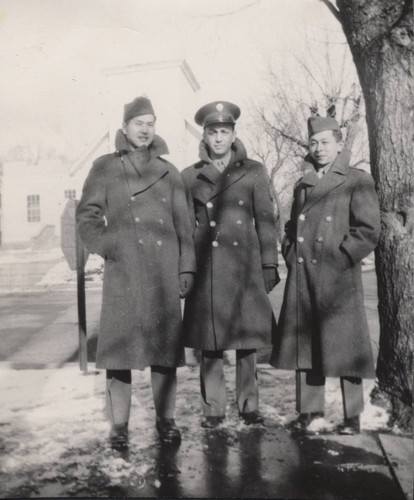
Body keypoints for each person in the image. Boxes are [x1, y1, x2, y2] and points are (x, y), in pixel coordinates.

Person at [76, 96, 196, 448]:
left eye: (150, 123)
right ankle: (119, 426)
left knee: (164, 352)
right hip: (124, 271)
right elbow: (87, 217)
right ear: (125, 127)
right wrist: (111, 245)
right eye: (138, 123)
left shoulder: (170, 172)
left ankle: (166, 420)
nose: (145, 129)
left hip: (163, 272)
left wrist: (185, 268)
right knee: (120, 353)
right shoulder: (104, 167)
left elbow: (184, 226)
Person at [270, 115, 381, 435]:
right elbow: (291, 226)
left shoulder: (356, 180)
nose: (319, 148)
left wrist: (341, 256)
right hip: (304, 275)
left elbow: (368, 229)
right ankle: (308, 410)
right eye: (313, 143)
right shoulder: (303, 181)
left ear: (340, 144)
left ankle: (353, 415)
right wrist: (291, 253)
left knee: (346, 348)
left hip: (339, 277)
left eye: (326, 142)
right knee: (305, 345)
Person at [181, 101, 280, 428]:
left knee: (246, 340)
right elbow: (184, 227)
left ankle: (249, 406)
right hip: (207, 264)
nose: (219, 138)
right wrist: (186, 269)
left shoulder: (253, 171)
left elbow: (266, 221)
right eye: (213, 132)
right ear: (205, 135)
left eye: (224, 131)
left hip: (244, 265)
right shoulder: (190, 176)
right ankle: (213, 409)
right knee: (210, 343)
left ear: (234, 134)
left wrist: (269, 264)